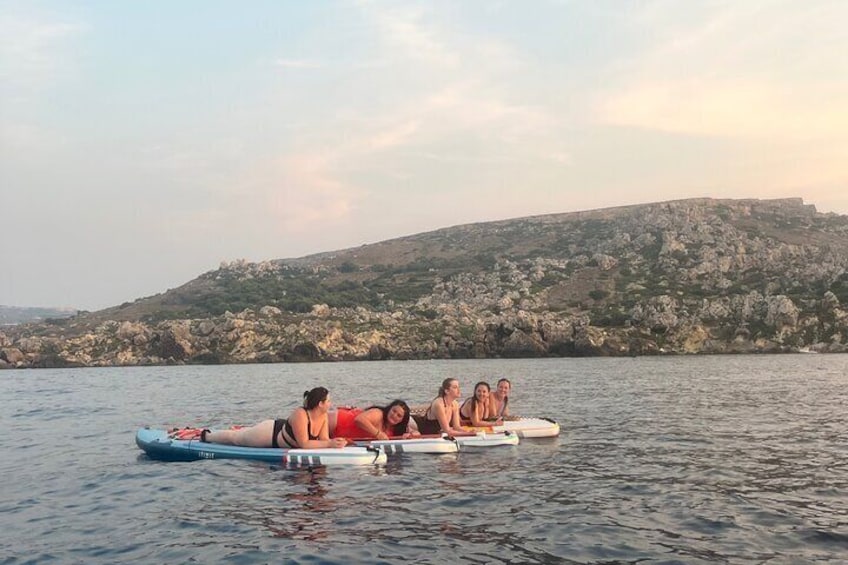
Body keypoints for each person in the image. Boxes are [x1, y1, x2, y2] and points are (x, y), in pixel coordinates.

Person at [201, 387, 347, 449]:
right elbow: (304, 444)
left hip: (284, 434)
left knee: (242, 434)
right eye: (328, 401)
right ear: (320, 404)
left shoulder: (323, 416)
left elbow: (324, 440)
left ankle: (243, 429)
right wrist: (329, 445)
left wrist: (336, 442)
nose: (331, 404)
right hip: (270, 434)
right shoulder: (300, 414)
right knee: (237, 438)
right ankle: (207, 436)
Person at [329, 400, 420, 440]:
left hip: (342, 435)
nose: (394, 415)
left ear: (402, 420)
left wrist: (409, 435)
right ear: (389, 409)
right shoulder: (379, 413)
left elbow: (416, 433)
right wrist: (378, 434)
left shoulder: (398, 428)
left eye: (399, 415)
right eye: (394, 411)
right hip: (339, 420)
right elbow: (359, 419)